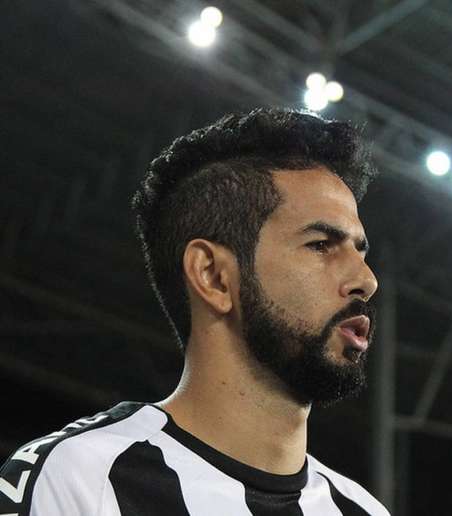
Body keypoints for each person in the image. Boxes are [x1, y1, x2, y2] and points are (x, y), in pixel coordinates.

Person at [0, 108, 390, 515]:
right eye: (321, 245)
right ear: (213, 276)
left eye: (360, 250)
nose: (366, 279)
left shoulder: (363, 510)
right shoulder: (80, 480)